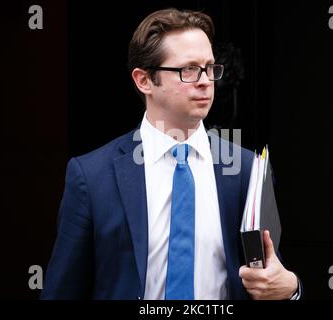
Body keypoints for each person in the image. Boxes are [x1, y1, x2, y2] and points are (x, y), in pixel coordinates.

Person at [41, 8, 301, 300]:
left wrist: (291, 289)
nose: (205, 81)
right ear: (144, 80)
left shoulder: (245, 169)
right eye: (188, 69)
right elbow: (63, 291)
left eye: (210, 68)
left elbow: (270, 279)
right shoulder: (92, 176)